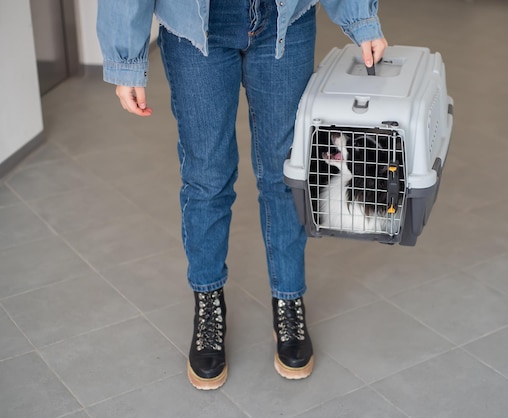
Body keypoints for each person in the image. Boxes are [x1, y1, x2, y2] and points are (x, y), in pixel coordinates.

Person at [97, 0, 387, 390]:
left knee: (285, 174)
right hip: (196, 25)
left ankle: (288, 298)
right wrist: (125, 58)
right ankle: (208, 303)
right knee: (206, 179)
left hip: (283, 18)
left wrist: (361, 17)